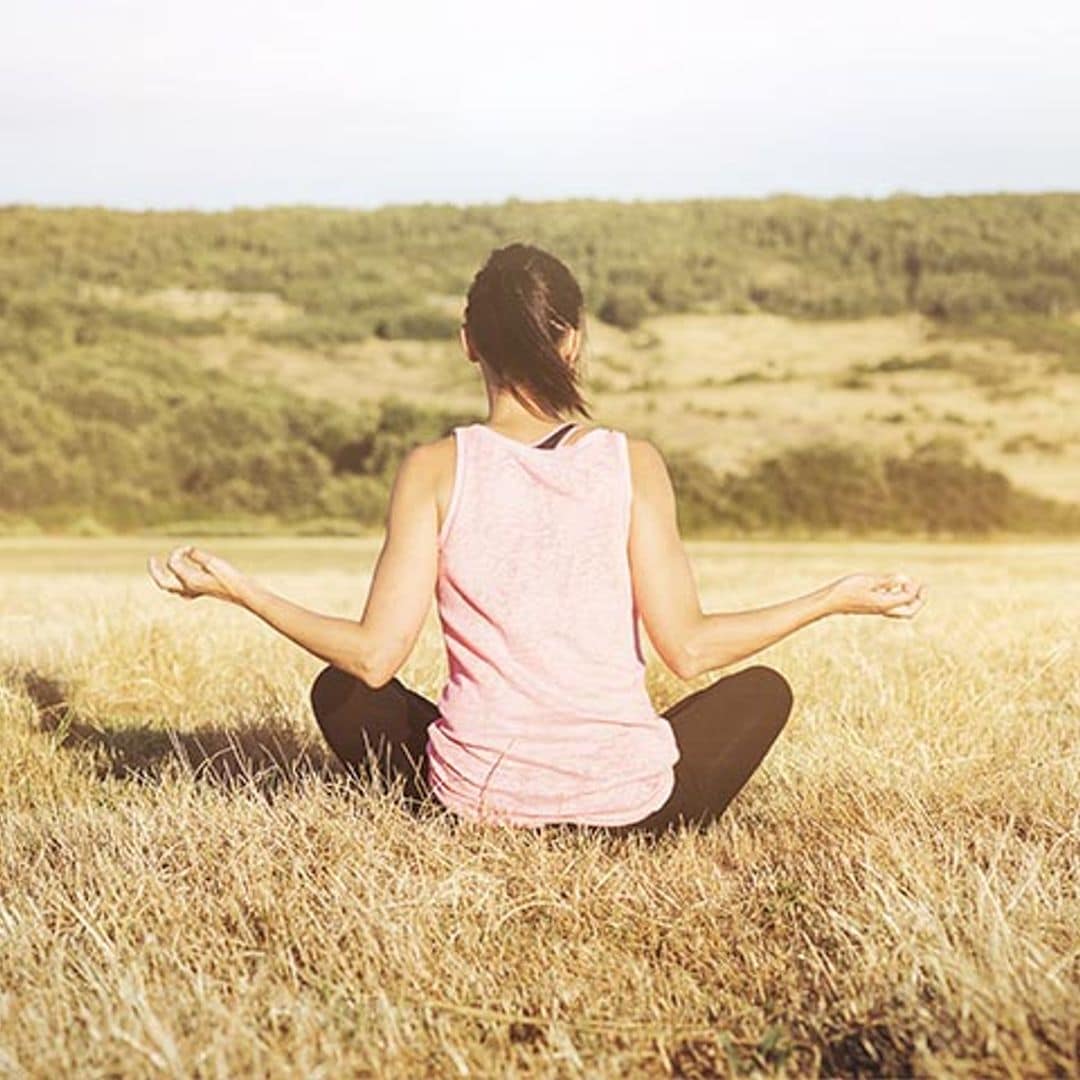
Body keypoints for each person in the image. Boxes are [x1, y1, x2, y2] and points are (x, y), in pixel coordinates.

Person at [148, 242, 927, 839]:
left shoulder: (433, 469)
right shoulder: (635, 464)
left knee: (340, 691)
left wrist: (239, 591)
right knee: (764, 692)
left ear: (468, 342)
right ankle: (617, 815)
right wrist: (832, 599)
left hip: (475, 803)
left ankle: (477, 810)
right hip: (631, 812)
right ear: (575, 343)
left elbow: (372, 659)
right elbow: (689, 651)